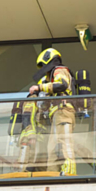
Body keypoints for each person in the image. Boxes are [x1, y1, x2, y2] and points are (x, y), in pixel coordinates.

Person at [29, 48, 76, 176]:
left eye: (44, 65)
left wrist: (40, 87)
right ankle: (52, 175)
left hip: (63, 111)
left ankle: (70, 173)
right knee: (52, 150)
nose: (44, 69)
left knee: (64, 143)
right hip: (56, 115)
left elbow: (62, 85)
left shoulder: (59, 70)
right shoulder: (52, 76)